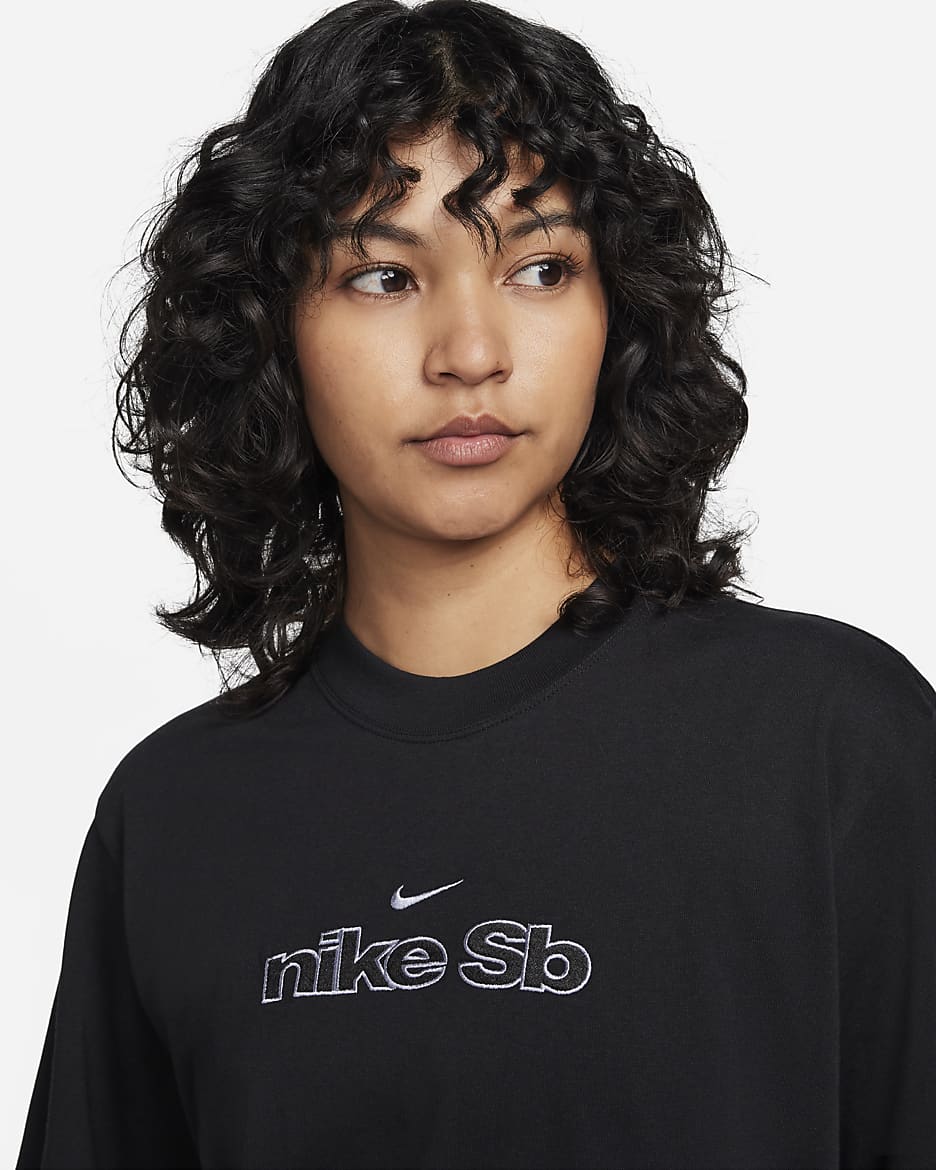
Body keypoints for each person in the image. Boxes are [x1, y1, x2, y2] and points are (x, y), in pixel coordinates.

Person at [16, 0, 935, 1166]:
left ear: (619, 310)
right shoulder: (173, 816)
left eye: (540, 268)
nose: (471, 354)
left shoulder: (833, 744)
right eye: (383, 277)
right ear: (270, 330)